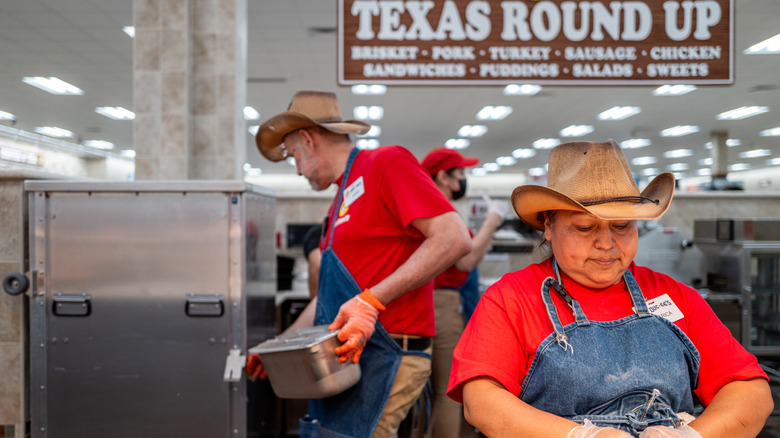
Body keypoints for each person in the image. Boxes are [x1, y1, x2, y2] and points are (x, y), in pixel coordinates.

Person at [447, 140, 773, 437]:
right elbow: (482, 400)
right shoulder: (512, 298)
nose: (606, 243)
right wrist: (580, 436)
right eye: (585, 227)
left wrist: (693, 435)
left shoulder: (676, 296)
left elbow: (750, 391)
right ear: (548, 225)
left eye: (622, 226)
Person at [246, 90, 472, 438]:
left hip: (389, 354)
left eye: (293, 156)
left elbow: (453, 237)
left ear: (308, 139)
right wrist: (279, 346)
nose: (297, 170)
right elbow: (330, 298)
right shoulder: (339, 200)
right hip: (347, 359)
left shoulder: (386, 163)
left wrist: (371, 301)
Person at [416, 148, 508, 438]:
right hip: (442, 305)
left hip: (421, 303)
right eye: (461, 174)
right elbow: (465, 260)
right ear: (443, 176)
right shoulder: (442, 211)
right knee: (447, 391)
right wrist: (492, 221)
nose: (464, 180)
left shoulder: (422, 208)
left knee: (422, 392)